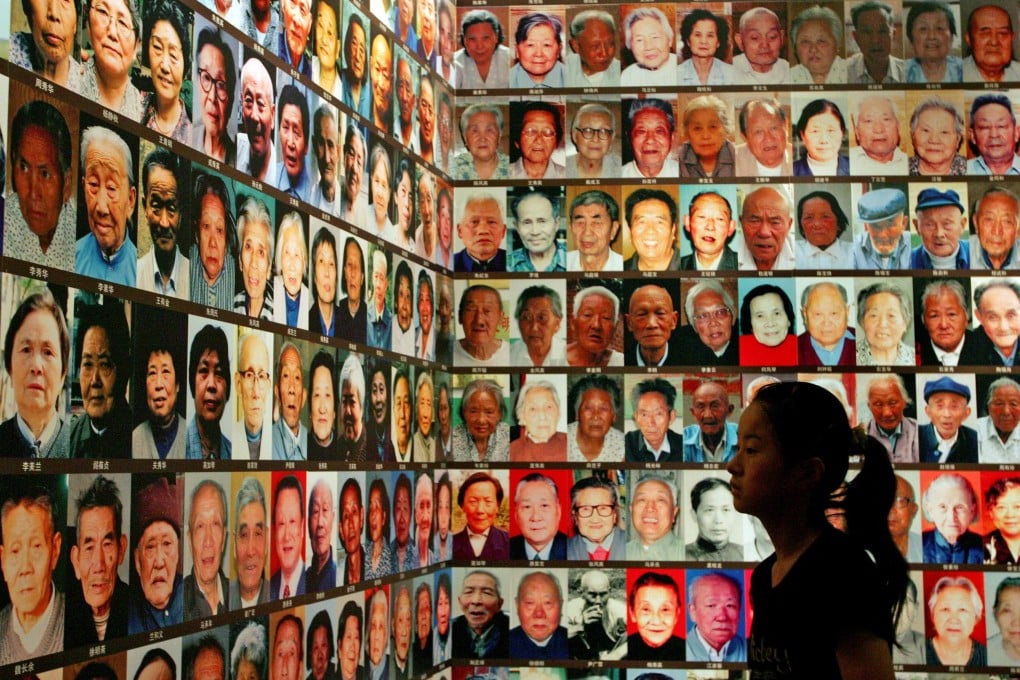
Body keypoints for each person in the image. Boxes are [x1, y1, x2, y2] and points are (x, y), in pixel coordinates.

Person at [726, 381, 909, 677]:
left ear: (808, 473)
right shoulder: (765, 577)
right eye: (738, 447)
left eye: (750, 449)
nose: (732, 464)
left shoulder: (843, 573)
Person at [4, 101, 76, 270]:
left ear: (66, 183)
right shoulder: (5, 223)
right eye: (24, 167)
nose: (33, 192)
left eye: (45, 174)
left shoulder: (80, 239)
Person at [65, 476, 128, 648]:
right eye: (89, 547)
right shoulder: (66, 617)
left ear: (121, 549)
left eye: (107, 544)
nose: (98, 564)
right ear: (76, 561)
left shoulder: (134, 609)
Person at [75, 126, 138, 286]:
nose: (101, 208)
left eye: (111, 188)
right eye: (93, 184)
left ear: (130, 200)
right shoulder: (72, 257)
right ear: (83, 187)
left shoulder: (142, 271)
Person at [67, 305, 132, 457]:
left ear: (125, 371)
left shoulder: (141, 440)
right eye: (88, 365)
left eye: (104, 364)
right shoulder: (69, 439)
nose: (94, 380)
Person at [128, 476, 183, 632]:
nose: (159, 562)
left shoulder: (193, 600)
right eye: (150, 547)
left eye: (167, 544)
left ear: (177, 554)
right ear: (137, 561)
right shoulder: (126, 615)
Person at [135, 149, 187, 297]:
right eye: (156, 206)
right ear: (145, 207)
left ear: (180, 212)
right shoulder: (134, 274)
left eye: (171, 208)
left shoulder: (193, 280)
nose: (164, 223)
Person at [140, 0, 192, 142]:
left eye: (174, 55)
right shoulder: (135, 104)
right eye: (157, 47)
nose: (164, 65)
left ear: (185, 64)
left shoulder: (196, 136)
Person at [80, 0, 142, 118]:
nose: (112, 32)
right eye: (103, 12)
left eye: (123, 23)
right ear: (88, 24)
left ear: (137, 46)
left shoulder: (143, 109)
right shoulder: (72, 78)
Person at [11, 0, 84, 91]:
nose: (54, 13)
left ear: (76, 23)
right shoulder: (8, 53)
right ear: (26, 6)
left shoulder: (84, 86)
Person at [189, 173, 237, 311]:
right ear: (197, 234)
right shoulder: (186, 264)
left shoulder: (238, 277)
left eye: (219, 230)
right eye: (206, 226)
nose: (213, 243)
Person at [182, 479, 229, 619]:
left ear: (224, 538)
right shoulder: (178, 603)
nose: (208, 541)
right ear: (190, 540)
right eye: (200, 526)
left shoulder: (238, 594)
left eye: (215, 524)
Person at [185, 325, 232, 460]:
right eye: (204, 371)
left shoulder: (233, 453)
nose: (211, 384)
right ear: (192, 382)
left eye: (219, 373)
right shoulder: (179, 450)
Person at [193, 27, 237, 164]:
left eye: (221, 85)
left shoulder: (238, 160)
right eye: (206, 77)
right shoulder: (188, 136)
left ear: (231, 97)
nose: (212, 97)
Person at [925, 576, 986, 666]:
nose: (953, 620)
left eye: (962, 610)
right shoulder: (918, 654)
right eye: (945, 609)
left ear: (976, 617)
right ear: (932, 615)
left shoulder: (987, 656)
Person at [685, 572, 746, 662]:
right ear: (692, 611)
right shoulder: (679, 651)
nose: (722, 617)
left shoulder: (750, 650)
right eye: (711, 605)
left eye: (730, 605)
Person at [676, 280, 740, 365]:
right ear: (694, 325)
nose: (713, 323)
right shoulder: (680, 349)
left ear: (733, 315)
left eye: (720, 312)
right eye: (703, 316)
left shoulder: (747, 343)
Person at [230, 476, 270, 609]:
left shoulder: (278, 595)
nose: (251, 551)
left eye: (258, 534)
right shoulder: (221, 601)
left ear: (267, 542)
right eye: (244, 535)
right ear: (234, 544)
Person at [922, 473, 981, 564]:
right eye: (943, 507)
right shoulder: (918, 545)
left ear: (972, 511)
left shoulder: (983, 546)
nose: (951, 517)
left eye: (959, 507)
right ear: (930, 510)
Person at [625, 571, 685, 660]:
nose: (656, 621)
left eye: (665, 609)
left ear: (677, 614)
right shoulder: (621, 651)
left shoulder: (689, 651)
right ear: (632, 613)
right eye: (646, 609)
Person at [509, 571, 569, 659]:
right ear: (517, 605)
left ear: (561, 606)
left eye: (548, 603)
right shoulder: (503, 645)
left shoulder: (573, 643)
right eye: (530, 603)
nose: (539, 614)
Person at [919, 377, 978, 464]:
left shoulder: (975, 440)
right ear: (928, 411)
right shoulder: (916, 436)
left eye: (954, 406)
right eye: (939, 406)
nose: (947, 414)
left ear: (966, 413)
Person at [451, 570, 509, 658]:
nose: (476, 601)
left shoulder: (511, 633)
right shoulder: (449, 630)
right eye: (468, 592)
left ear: (499, 604)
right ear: (460, 602)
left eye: (487, 593)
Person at [566, 476, 626, 561]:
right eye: (585, 509)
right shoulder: (564, 550)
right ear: (575, 516)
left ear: (615, 513)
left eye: (603, 508)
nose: (595, 519)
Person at [233, 198, 275, 321]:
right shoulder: (231, 306)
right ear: (240, 261)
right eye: (248, 247)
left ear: (269, 267)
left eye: (261, 252)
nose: (253, 263)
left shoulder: (278, 316)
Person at [567, 375, 625, 463]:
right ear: (577, 414)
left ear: (614, 416)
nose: (596, 416)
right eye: (588, 408)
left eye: (603, 409)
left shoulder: (623, 445)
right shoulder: (562, 440)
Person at [797, 281, 856, 367]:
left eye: (834, 313)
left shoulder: (866, 342)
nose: (826, 323)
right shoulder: (792, 349)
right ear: (805, 315)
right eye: (818, 314)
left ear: (847, 312)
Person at [237, 55, 276, 183]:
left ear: (273, 115)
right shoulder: (234, 152)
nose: (254, 116)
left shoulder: (280, 177)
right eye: (248, 101)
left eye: (260, 103)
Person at [452, 472, 509, 559]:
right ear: (462, 505)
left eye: (488, 501)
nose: (480, 510)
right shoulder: (448, 545)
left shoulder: (510, 544)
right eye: (473, 501)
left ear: (497, 506)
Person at [510, 473, 567, 560]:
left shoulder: (572, 549)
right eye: (527, 507)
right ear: (516, 515)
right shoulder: (507, 549)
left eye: (544, 505)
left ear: (558, 512)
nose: (535, 518)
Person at [450, 380, 510, 462]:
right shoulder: (451, 440)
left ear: (499, 413)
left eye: (489, 412)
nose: (481, 420)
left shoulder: (509, 437)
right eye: (474, 411)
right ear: (464, 412)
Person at [856, 282, 915, 366]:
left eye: (891, 316)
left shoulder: (916, 358)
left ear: (905, 323)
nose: (882, 324)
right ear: (862, 322)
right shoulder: (850, 357)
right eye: (874, 315)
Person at [737, 186, 795, 271]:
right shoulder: (730, 254)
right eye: (754, 221)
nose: (764, 232)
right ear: (741, 222)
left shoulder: (801, 256)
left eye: (775, 222)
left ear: (789, 225)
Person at [864, 375, 919, 464]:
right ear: (869, 406)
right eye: (878, 404)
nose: (887, 413)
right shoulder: (860, 436)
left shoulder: (919, 432)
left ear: (904, 402)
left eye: (892, 403)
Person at [739, 284, 798, 366]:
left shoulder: (803, 347)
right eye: (760, 316)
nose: (770, 323)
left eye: (777, 313)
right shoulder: (737, 351)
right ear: (750, 324)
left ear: (788, 319)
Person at [852, 188, 911, 269]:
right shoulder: (854, 249)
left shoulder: (913, 246)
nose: (883, 235)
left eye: (890, 224)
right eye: (876, 226)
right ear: (867, 226)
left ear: (904, 223)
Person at [911, 188, 969, 269]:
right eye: (929, 224)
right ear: (917, 226)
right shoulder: (907, 261)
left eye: (947, 224)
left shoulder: (975, 254)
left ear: (962, 225)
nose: (939, 234)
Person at [678, 95, 736, 178]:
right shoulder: (678, 159)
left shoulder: (737, 156)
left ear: (725, 129)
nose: (705, 136)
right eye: (697, 128)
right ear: (687, 133)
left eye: (713, 127)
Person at [846, 1, 904, 83]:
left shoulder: (907, 72)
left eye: (882, 31)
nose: (875, 40)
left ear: (893, 35)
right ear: (856, 37)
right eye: (867, 32)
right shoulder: (844, 71)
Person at [850, 95, 909, 176]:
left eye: (886, 119)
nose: (879, 129)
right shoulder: (847, 163)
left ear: (898, 127)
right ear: (857, 132)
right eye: (868, 121)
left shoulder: (909, 164)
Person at [626, 475, 681, 560]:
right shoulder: (621, 553)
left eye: (660, 500)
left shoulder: (687, 553)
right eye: (642, 500)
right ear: (631, 510)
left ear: (674, 513)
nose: (650, 508)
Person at [626, 379, 683, 463]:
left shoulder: (683, 446)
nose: (651, 423)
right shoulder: (626, 444)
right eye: (644, 415)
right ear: (636, 417)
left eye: (658, 414)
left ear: (672, 416)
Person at [905, 1, 963, 82]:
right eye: (923, 29)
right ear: (911, 40)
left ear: (952, 37)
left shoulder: (964, 70)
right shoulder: (902, 72)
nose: (932, 36)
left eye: (939, 28)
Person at [508, 190, 565, 273]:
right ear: (517, 227)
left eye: (542, 221)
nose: (535, 232)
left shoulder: (572, 260)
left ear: (556, 223)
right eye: (526, 222)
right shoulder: (507, 265)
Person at [682, 381, 738, 464]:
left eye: (715, 406)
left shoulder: (742, 436)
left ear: (729, 410)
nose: (708, 415)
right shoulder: (684, 438)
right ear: (693, 412)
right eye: (701, 407)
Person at [620, 7, 678, 87]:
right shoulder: (628, 76)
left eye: (655, 37)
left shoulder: (682, 69)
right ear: (630, 46)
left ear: (670, 40)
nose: (648, 47)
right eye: (639, 40)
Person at [625, 284, 680, 368]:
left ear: (674, 320)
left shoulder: (691, 360)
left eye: (660, 313)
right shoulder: (622, 360)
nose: (651, 324)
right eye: (641, 314)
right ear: (629, 323)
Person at [685, 478, 741, 561]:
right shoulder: (681, 555)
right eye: (709, 510)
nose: (718, 520)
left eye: (726, 510)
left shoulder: (743, 553)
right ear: (694, 515)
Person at [509, 380, 566, 462]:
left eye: (548, 407)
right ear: (522, 417)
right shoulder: (512, 452)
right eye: (533, 409)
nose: (542, 416)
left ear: (558, 413)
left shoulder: (571, 443)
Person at [621, 99, 678, 180]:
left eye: (659, 131)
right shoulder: (620, 175)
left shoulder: (683, 173)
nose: (650, 140)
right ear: (629, 138)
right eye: (641, 131)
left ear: (671, 138)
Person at [789, 4, 847, 83]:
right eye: (805, 42)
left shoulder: (852, 73)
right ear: (795, 48)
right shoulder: (787, 78)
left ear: (837, 44)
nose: (813, 49)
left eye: (821, 41)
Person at [794, 190, 853, 269]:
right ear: (801, 226)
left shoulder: (855, 252)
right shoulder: (792, 251)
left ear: (838, 223)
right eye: (808, 217)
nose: (817, 224)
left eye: (825, 216)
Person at [681, 191, 738, 271]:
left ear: (731, 227)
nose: (710, 227)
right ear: (687, 222)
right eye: (701, 217)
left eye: (720, 219)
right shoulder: (679, 266)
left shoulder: (742, 265)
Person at [734, 99, 793, 176]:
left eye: (774, 128)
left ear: (786, 126)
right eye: (758, 132)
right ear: (744, 137)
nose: (768, 138)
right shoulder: (732, 160)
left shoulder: (800, 159)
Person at [908, 97, 967, 176]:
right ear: (913, 135)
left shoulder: (970, 170)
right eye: (926, 130)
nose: (934, 140)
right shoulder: (901, 169)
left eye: (944, 132)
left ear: (958, 139)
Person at [454, 10, 511, 89]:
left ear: (496, 37)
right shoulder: (454, 62)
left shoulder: (511, 59)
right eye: (472, 39)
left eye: (486, 38)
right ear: (465, 40)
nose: (479, 46)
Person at [510, 286, 566, 368]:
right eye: (527, 317)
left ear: (557, 324)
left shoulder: (568, 356)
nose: (534, 327)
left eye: (542, 318)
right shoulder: (509, 355)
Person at [272, 213, 310, 330]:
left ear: (304, 260)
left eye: (297, 254)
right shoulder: (268, 292)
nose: (292, 265)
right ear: (279, 257)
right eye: (287, 253)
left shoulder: (311, 302)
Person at [678, 8, 736, 85]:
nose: (703, 41)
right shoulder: (675, 74)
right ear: (688, 41)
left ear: (718, 42)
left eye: (710, 35)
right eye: (697, 35)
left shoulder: (732, 73)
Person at [452, 104, 509, 181]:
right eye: (475, 131)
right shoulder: (452, 169)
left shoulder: (511, 168)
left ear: (499, 136)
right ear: (465, 138)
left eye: (489, 130)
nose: (482, 139)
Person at [793, 98, 850, 177]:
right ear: (803, 135)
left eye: (831, 130)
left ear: (842, 132)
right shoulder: (792, 171)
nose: (824, 140)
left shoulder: (856, 167)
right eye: (815, 131)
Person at [271, 475, 306, 598]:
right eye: (281, 523)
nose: (286, 536)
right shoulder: (268, 590)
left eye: (292, 521)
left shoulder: (315, 584)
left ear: (302, 527)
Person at [964, 3, 1020, 82]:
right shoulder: (956, 74)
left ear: (1012, 38)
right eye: (985, 33)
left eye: (1003, 33)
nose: (994, 42)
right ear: (969, 39)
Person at [567, 191, 622, 271]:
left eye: (596, 223)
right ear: (571, 227)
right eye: (580, 222)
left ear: (613, 229)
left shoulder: (622, 266)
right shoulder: (565, 263)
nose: (587, 233)